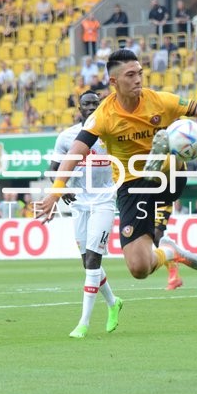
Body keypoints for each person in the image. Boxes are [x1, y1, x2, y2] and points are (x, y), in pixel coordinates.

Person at [36, 49, 197, 284]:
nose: (138, 79)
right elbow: (74, 153)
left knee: (175, 140)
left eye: (140, 73)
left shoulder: (161, 102)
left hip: (167, 173)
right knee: (139, 268)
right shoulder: (103, 116)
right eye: (130, 75)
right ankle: (169, 252)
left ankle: (167, 149)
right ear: (114, 82)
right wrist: (55, 192)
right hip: (131, 186)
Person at [50, 91, 123, 338]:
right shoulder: (67, 137)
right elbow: (53, 170)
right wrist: (62, 189)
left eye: (95, 103)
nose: (91, 107)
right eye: (86, 104)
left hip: (104, 201)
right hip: (79, 204)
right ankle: (114, 303)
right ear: (79, 108)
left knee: (93, 261)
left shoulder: (111, 134)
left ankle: (84, 323)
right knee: (87, 262)